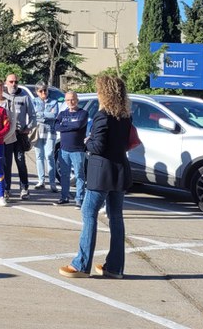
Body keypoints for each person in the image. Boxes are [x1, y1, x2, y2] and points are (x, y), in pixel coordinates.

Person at [60, 75, 132, 279]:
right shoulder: (125, 116)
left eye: (99, 91)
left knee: (88, 213)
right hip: (119, 170)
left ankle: (81, 264)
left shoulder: (103, 116)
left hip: (101, 173)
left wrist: (87, 142)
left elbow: (98, 146)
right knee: (116, 217)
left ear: (105, 94)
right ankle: (115, 267)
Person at [2, 73, 36, 200]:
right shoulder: (2, 96)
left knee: (20, 161)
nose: (13, 84)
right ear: (6, 82)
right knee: (6, 164)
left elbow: (33, 116)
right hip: (6, 135)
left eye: (16, 82)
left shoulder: (24, 97)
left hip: (19, 135)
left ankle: (24, 188)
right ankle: (6, 189)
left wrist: (28, 128)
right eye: (11, 82)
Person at [54, 90, 89, 207]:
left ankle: (79, 199)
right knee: (64, 175)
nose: (70, 102)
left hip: (77, 150)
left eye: (72, 99)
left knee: (79, 175)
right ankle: (64, 197)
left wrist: (64, 126)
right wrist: (70, 126)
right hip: (64, 149)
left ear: (77, 100)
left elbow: (78, 125)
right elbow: (56, 126)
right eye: (68, 100)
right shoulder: (62, 114)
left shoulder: (83, 113)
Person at [32, 81, 58, 191]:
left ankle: (52, 183)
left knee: (49, 155)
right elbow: (33, 114)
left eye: (45, 90)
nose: (43, 93)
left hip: (50, 131)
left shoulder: (54, 101)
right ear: (36, 92)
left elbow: (54, 115)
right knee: (39, 155)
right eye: (41, 91)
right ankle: (41, 180)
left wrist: (41, 114)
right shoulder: (34, 101)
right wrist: (46, 115)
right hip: (38, 130)